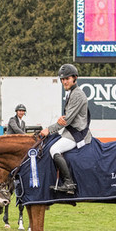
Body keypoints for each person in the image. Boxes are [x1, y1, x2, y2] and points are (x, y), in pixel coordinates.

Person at [39, 63, 91, 194]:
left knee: (54, 149)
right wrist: (62, 121)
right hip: (69, 131)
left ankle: (69, 183)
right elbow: (65, 120)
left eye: (67, 78)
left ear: (75, 78)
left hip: (77, 134)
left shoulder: (77, 94)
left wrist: (49, 129)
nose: (64, 81)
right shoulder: (71, 93)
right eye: (62, 79)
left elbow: (66, 120)